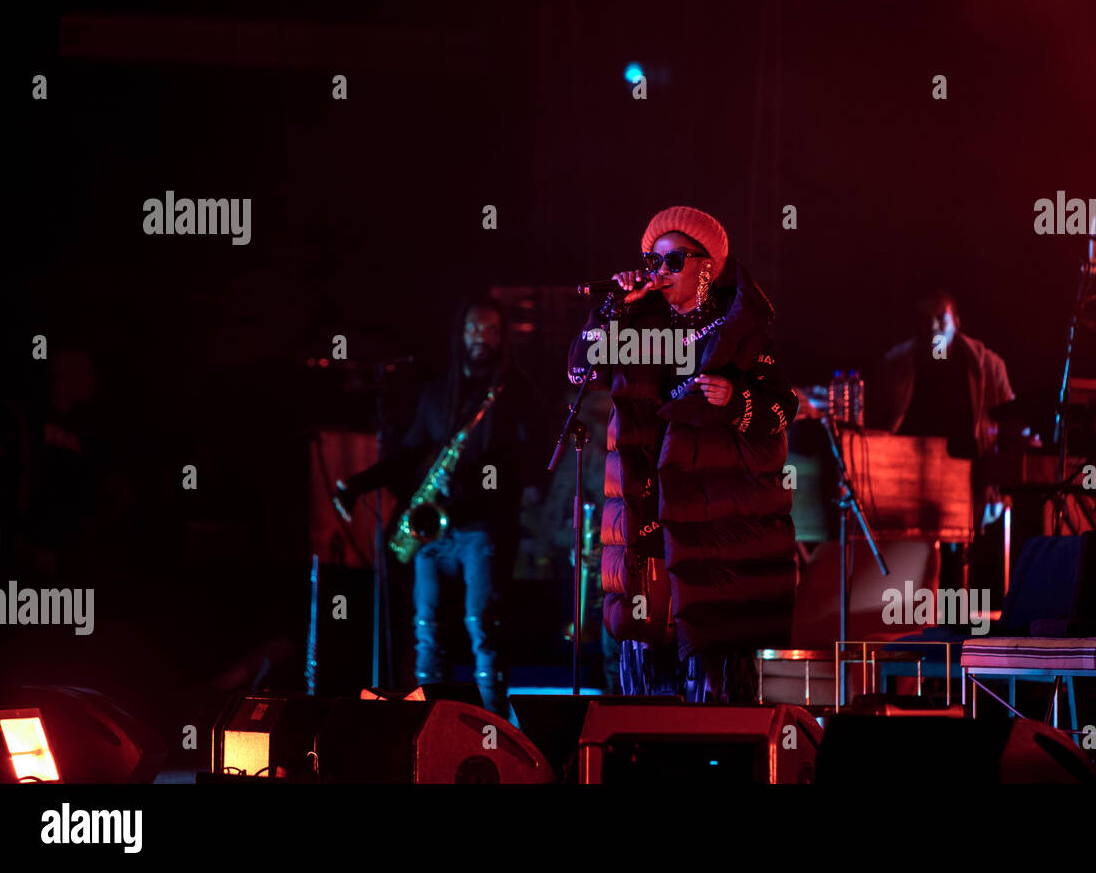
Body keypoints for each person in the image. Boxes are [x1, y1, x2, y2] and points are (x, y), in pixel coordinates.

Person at [567, 206, 797, 703]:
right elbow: (579, 372)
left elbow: (782, 410)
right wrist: (610, 310)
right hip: (648, 523)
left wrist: (736, 402)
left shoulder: (741, 331)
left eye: (673, 261)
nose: (659, 272)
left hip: (715, 534)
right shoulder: (638, 324)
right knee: (648, 675)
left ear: (708, 265)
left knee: (714, 688)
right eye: (652, 260)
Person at [334, 297, 538, 718]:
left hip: (482, 528)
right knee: (426, 632)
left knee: (482, 627)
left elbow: (530, 464)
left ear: (502, 337)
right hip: (435, 529)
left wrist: (476, 480)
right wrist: (357, 485)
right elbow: (408, 453)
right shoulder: (437, 393)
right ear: (460, 333)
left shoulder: (515, 392)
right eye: (474, 328)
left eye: (490, 330)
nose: (481, 337)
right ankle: (429, 727)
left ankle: (495, 730)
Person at [877, 290, 1015, 460]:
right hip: (908, 465)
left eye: (941, 319)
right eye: (927, 320)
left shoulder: (989, 366)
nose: (934, 327)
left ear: (956, 323)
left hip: (971, 473)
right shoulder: (896, 364)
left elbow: (1012, 418)